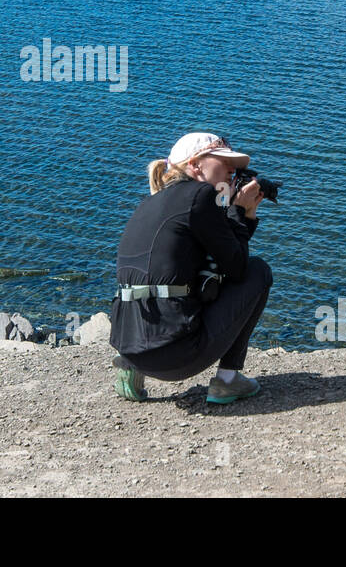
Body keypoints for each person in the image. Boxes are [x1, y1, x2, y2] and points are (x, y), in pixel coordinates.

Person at [109, 132, 274, 404]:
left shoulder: (150, 203)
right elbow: (238, 268)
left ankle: (130, 369)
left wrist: (234, 215)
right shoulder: (202, 195)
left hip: (128, 345)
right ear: (195, 166)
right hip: (177, 355)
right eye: (224, 163)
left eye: (236, 171)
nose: (232, 174)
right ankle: (228, 380)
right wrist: (241, 215)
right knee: (258, 271)